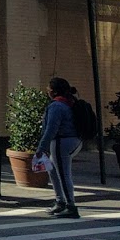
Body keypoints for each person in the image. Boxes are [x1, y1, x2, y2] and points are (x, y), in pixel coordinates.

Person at [37, 77, 82, 218]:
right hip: (74, 140)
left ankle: (70, 206)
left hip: (61, 142)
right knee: (54, 171)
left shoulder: (56, 106)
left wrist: (41, 147)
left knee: (63, 174)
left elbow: (51, 129)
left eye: (48, 89)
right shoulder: (69, 102)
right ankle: (60, 202)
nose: (47, 91)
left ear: (54, 91)